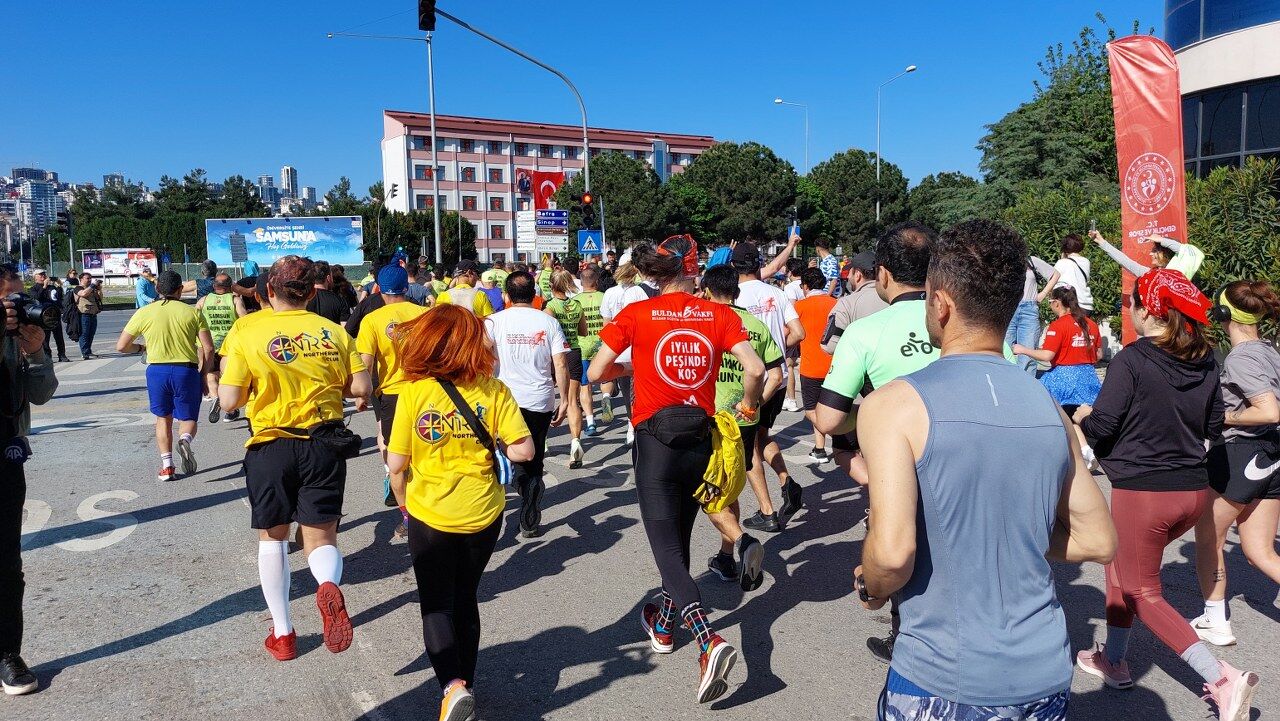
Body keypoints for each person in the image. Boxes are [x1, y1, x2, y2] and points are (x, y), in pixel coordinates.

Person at [854, 219, 1116, 721]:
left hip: (944, 676)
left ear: (940, 304)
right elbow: (1098, 540)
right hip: (1045, 672)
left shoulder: (893, 405)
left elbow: (891, 554)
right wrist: (1008, 538)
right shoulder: (1048, 407)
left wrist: (871, 583)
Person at [1074, 269, 1259, 720]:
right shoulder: (1206, 358)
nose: (1131, 309)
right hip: (1191, 491)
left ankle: (1221, 678)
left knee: (1141, 590)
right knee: (1120, 570)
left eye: (1133, 302)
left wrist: (1081, 415)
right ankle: (1114, 660)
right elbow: (1213, 425)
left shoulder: (1132, 360)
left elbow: (1103, 425)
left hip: (1143, 493)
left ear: (1147, 309)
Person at [588, 235, 764, 704]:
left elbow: (595, 373)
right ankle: (664, 625)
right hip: (699, 438)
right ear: (693, 269)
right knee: (679, 541)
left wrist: (633, 370)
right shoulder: (719, 314)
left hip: (655, 441)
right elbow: (755, 369)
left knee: (667, 550)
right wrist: (749, 406)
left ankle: (708, 641)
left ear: (655, 273)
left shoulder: (636, 314)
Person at [218, 256, 372, 662]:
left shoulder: (248, 330)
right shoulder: (332, 332)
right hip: (324, 442)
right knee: (321, 536)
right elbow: (361, 386)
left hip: (271, 443)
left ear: (269, 290)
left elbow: (229, 400)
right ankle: (327, 584)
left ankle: (283, 633)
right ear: (311, 292)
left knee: (273, 538)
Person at [386, 304, 534, 721]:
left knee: (436, 604)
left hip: (430, 513)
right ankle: (467, 683)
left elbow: (396, 464)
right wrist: (498, 447)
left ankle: (452, 688)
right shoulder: (494, 390)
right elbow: (524, 450)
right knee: (466, 596)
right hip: (483, 512)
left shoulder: (414, 392)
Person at [813, 222, 940, 663]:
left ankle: (904, 636)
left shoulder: (865, 332)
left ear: (882, 274)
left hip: (901, 464)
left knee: (897, 549)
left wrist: (860, 422)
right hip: (970, 460)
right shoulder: (966, 323)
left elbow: (829, 418)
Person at [1191, 280, 1280, 647]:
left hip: (1242, 454)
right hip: (1271, 455)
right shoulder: (1270, 350)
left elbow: (1269, 410)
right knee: (1260, 552)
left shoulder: (1241, 357)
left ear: (1223, 313)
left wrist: (1224, 418)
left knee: (1208, 537)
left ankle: (1215, 621)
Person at [0, 263, 58, 696]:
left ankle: (8, 653)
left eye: (22, 298)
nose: (18, 307)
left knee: (7, 563)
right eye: (10, 299)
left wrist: (36, 352)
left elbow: (40, 393)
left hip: (6, 454)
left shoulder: (20, 336)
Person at [702, 264, 777, 590]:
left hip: (712, 420)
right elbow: (775, 374)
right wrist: (753, 403)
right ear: (736, 290)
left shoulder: (705, 322)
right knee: (729, 487)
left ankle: (743, 542)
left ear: (707, 291)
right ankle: (725, 557)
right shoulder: (756, 325)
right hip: (745, 421)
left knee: (709, 494)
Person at [485, 271, 570, 538]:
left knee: (501, 453)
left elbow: (481, 357)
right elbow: (560, 363)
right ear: (535, 294)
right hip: (539, 399)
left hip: (502, 399)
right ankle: (530, 499)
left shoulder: (493, 322)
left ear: (506, 296)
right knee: (534, 454)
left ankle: (519, 488)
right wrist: (565, 399)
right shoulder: (548, 322)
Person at [733, 242, 805, 534]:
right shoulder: (777, 293)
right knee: (762, 435)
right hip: (779, 378)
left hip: (747, 380)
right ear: (758, 264)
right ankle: (787, 482)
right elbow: (799, 332)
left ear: (734, 267)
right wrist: (775, 351)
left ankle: (767, 511)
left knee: (749, 446)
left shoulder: (733, 297)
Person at [117, 271, 216, 482]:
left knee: (163, 418)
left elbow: (122, 346)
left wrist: (141, 348)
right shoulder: (192, 313)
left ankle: (167, 466)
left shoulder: (145, 312)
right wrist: (203, 375)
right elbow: (208, 348)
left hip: (157, 372)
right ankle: (185, 440)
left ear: (157, 289)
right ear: (180, 290)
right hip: (186, 371)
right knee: (188, 418)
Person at [357, 265, 429, 542]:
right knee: (426, 453)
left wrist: (363, 395)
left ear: (378, 289)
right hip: (426, 393)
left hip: (393, 396)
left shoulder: (372, 320)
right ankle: (430, 510)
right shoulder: (425, 314)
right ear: (406, 288)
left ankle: (408, 517)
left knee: (397, 461)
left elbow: (366, 363)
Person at [1013, 286, 1101, 416]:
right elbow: (1099, 354)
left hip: (1063, 381)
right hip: (1089, 379)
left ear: (1057, 303)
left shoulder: (1058, 325)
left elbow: (1047, 355)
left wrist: (1022, 349)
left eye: (1050, 302)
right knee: (1082, 419)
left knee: (1041, 404)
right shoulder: (1091, 324)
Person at [793, 268, 838, 464]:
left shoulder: (799, 306)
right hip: (834, 366)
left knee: (811, 410)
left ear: (805, 286)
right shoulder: (836, 303)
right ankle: (819, 448)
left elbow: (791, 333)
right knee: (830, 407)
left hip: (810, 367)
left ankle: (840, 437)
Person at [545, 270, 587, 468]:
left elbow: (545, 333)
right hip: (574, 352)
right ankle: (576, 441)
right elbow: (583, 331)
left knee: (548, 398)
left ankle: (543, 439)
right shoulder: (577, 305)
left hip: (556, 355)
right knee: (572, 401)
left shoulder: (550, 307)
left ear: (551, 286)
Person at [197, 273, 246, 422]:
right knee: (227, 378)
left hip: (208, 344)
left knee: (210, 375)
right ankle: (230, 410)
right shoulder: (235, 300)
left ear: (214, 286)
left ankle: (215, 398)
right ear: (230, 286)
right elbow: (244, 322)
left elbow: (195, 320)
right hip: (229, 346)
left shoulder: (204, 300)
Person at [820, 251, 888, 356]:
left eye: (849, 273)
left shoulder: (846, 304)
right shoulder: (893, 299)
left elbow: (829, 346)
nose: (847, 277)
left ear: (857, 275)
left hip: (861, 363)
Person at [1006, 256, 1061, 373]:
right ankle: (1005, 381)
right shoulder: (1001, 260)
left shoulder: (1030, 260)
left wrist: (1043, 293)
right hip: (1007, 307)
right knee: (1004, 351)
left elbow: (1055, 274)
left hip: (1029, 309)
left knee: (1028, 352)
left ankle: (1026, 383)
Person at [1088, 228, 1205, 280]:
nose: (1150, 254)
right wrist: (1102, 242)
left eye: (1155, 251)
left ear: (1165, 253)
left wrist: (1162, 240)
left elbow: (1194, 252)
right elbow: (1126, 262)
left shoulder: (1180, 272)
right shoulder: (1151, 274)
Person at [575, 266, 611, 433]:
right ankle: (606, 398)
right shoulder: (604, 297)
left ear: (581, 283)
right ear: (597, 281)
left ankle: (590, 422)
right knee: (606, 377)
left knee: (585, 384)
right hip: (603, 344)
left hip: (582, 346)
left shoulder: (575, 301)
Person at [780, 258, 806, 413]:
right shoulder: (806, 285)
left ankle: (791, 399)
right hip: (807, 327)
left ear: (790, 271)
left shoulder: (790, 287)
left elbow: (791, 309)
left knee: (789, 365)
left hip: (795, 328)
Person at [29, 269, 70, 362]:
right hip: (42, 316)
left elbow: (58, 298)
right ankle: (47, 355)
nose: (43, 276)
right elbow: (37, 298)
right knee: (45, 338)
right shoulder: (33, 288)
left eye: (44, 274)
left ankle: (62, 354)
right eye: (40, 275)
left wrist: (59, 286)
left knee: (59, 336)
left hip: (54, 314)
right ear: (35, 277)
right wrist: (44, 286)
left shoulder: (51, 287)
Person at [1052, 234, 1094, 314]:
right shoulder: (1086, 261)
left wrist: (1062, 258)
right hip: (1087, 304)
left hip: (1072, 304)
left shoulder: (1061, 262)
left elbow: (1053, 280)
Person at [74, 272, 103, 359]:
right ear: (81, 279)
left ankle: (88, 351)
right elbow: (83, 294)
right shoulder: (78, 288)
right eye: (87, 278)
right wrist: (92, 286)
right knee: (84, 334)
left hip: (93, 314)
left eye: (90, 278)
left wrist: (99, 289)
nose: (90, 280)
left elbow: (100, 298)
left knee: (91, 334)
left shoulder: (92, 289)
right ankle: (85, 352)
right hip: (84, 314)